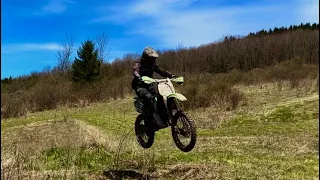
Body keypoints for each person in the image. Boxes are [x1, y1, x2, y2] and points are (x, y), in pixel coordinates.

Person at [132, 47, 175, 130]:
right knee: (149, 97)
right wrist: (139, 77)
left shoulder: (153, 65)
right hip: (140, 86)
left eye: (154, 58)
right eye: (151, 58)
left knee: (160, 96)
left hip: (149, 85)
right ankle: (149, 121)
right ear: (146, 58)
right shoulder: (139, 64)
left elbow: (161, 71)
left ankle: (163, 117)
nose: (153, 60)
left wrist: (171, 76)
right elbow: (135, 71)